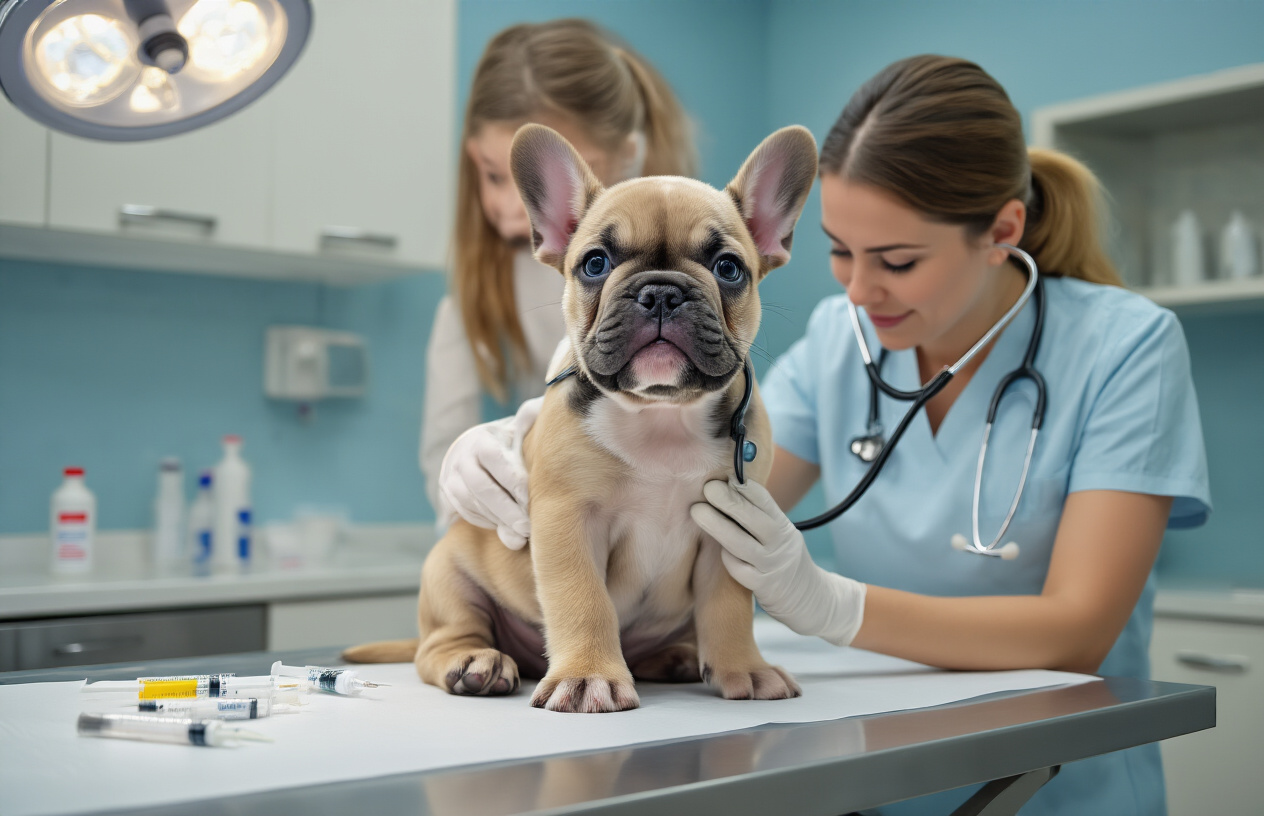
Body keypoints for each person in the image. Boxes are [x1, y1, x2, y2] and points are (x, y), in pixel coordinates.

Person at [436, 55, 1210, 815]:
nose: (859, 290)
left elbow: (1079, 632)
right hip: (877, 765)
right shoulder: (845, 338)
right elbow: (697, 494)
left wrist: (833, 605)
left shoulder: (1126, 347)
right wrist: (542, 440)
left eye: (898, 260)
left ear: (1002, 230)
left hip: (1053, 779)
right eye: (840, 251)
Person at [421, 18, 696, 518]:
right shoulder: (478, 297)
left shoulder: (696, 278)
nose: (514, 206)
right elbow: (443, 461)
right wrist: (472, 492)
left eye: (561, 177)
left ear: (628, 161)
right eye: (492, 174)